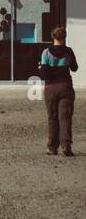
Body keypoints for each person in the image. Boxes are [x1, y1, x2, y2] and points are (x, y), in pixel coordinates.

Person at [39, 26, 77, 156]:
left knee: (52, 117)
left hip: (51, 88)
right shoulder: (69, 51)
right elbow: (74, 68)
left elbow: (44, 74)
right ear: (64, 37)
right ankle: (66, 146)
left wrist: (41, 67)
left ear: (53, 37)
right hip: (65, 86)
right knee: (65, 117)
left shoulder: (46, 52)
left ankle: (52, 147)